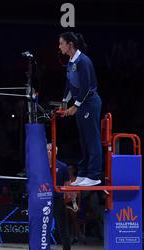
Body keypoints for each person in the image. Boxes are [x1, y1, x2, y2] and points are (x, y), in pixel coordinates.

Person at [59, 32, 102, 186]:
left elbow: (85, 87)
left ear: (70, 44)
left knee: (92, 139)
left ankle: (95, 175)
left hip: (89, 103)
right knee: (83, 140)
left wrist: (75, 106)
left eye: (61, 43)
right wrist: (64, 102)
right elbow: (70, 83)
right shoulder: (71, 61)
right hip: (81, 103)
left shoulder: (83, 61)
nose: (59, 47)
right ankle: (83, 173)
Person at [47, 143, 74, 250]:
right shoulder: (40, 166)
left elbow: (68, 186)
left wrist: (73, 202)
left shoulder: (62, 167)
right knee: (40, 228)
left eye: (50, 150)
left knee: (63, 229)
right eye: (47, 150)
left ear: (55, 152)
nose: (48, 152)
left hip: (57, 200)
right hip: (43, 201)